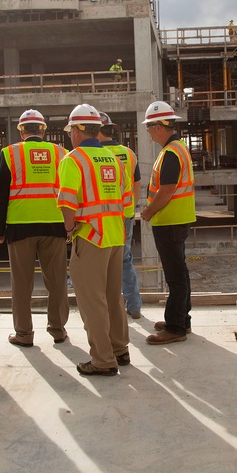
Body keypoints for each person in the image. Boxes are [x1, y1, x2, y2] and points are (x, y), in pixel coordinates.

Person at [57, 104, 130, 375]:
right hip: (114, 235)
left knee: (92, 301)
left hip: (89, 236)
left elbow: (67, 201)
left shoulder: (73, 160)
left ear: (76, 131)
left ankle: (102, 360)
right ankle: (120, 350)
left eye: (70, 131)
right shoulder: (113, 158)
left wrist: (68, 229)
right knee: (113, 296)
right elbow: (125, 199)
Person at [0, 109, 70, 347]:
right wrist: (70, 223)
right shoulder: (61, 153)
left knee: (21, 282)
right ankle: (57, 330)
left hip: (20, 227)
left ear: (21, 131)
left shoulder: (10, 153)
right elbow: (69, 190)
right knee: (56, 280)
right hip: (55, 225)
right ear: (43, 130)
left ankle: (24, 334)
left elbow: (0, 195)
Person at [140, 100, 195, 345]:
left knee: (175, 276)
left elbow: (167, 190)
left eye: (150, 126)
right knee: (180, 273)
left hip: (169, 221)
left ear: (160, 126)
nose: (148, 131)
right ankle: (182, 319)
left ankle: (175, 327)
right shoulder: (176, 148)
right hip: (176, 219)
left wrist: (149, 212)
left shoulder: (171, 153)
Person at [97, 111, 143, 318]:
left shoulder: (92, 155)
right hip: (125, 214)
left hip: (100, 215)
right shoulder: (128, 153)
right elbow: (137, 185)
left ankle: (107, 308)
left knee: (101, 261)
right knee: (124, 260)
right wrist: (130, 209)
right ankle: (133, 306)